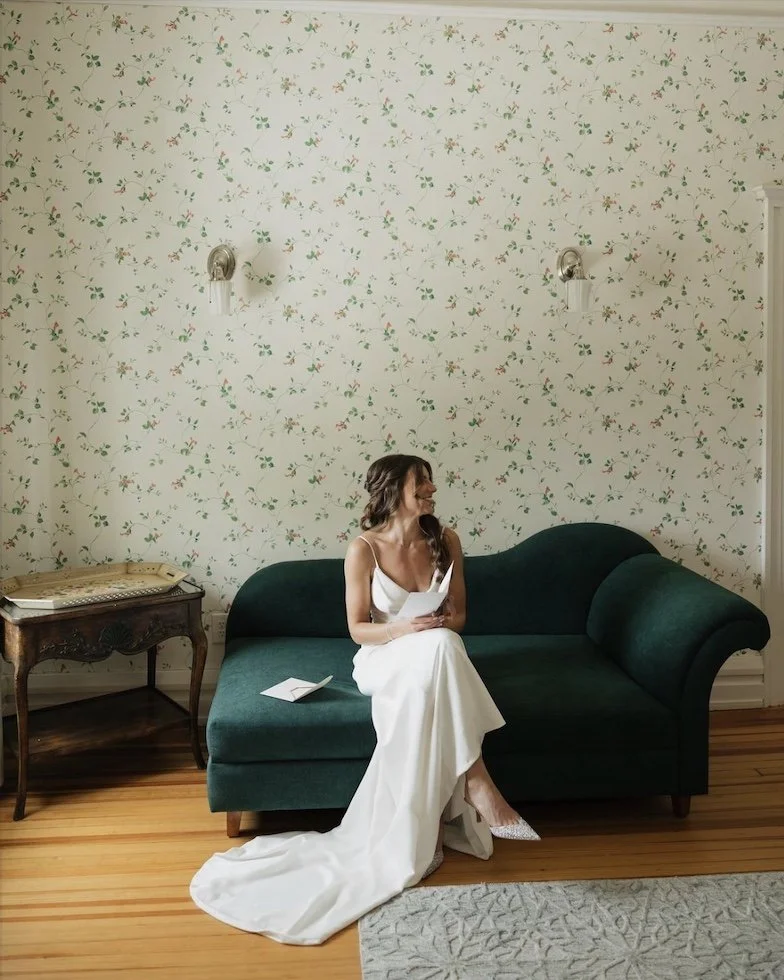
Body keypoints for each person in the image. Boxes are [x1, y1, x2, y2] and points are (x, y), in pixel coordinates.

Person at [190, 453, 538, 945]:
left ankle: (459, 793)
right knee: (439, 650)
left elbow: (458, 618)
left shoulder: (448, 540)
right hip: (383, 656)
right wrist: (403, 628)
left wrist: (435, 624)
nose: (433, 490)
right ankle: (476, 779)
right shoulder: (364, 550)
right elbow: (358, 629)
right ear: (394, 490)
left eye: (431, 483)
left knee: (443, 644)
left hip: (434, 651)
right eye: (422, 484)